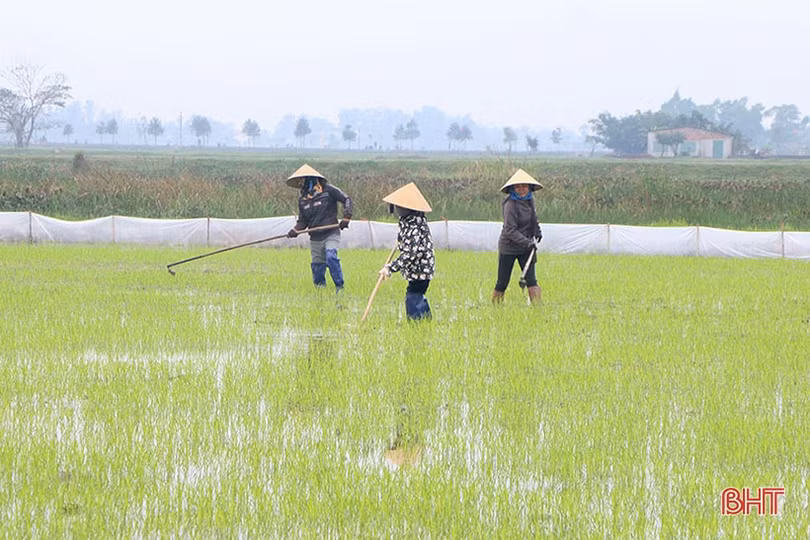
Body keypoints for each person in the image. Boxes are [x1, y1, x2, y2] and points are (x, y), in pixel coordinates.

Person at [286, 164, 353, 292]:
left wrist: (346, 217)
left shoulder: (328, 190)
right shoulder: (302, 200)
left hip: (331, 233)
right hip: (315, 237)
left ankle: (339, 287)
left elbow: (346, 199)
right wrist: (295, 230)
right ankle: (320, 292)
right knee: (317, 267)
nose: (301, 183)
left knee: (331, 257)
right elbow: (303, 221)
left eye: (303, 180)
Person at [378, 182, 435, 320]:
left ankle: (417, 324)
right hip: (418, 270)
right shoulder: (409, 223)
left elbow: (410, 254)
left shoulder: (414, 226)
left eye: (400, 207)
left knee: (413, 297)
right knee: (417, 295)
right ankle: (425, 321)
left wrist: (390, 268)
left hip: (421, 270)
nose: (397, 210)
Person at [493, 168, 543, 304]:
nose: (521, 189)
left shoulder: (530, 201)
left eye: (524, 186)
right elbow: (509, 230)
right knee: (502, 282)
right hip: (509, 247)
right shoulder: (510, 205)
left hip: (526, 247)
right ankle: (495, 308)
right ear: (513, 189)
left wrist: (537, 231)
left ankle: (538, 309)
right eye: (518, 186)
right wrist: (527, 243)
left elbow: (533, 218)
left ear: (529, 188)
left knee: (531, 280)